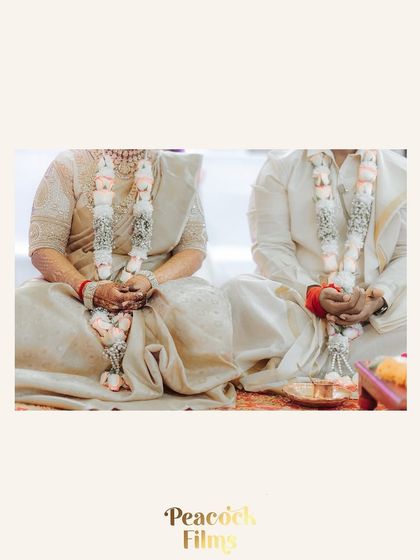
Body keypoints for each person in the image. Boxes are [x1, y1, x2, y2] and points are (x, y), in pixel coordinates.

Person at [15, 149, 239, 410]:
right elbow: (44, 246)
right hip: (78, 289)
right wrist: (88, 289)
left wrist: (151, 280)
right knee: (23, 307)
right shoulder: (70, 164)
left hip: (156, 288)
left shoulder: (174, 170)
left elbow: (193, 248)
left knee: (207, 306)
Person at [224, 149, 406, 392]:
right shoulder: (281, 164)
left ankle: (304, 365)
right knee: (237, 292)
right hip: (300, 307)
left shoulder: (402, 172)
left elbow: (407, 254)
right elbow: (270, 247)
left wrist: (380, 297)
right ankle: (366, 366)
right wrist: (313, 294)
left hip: (374, 317)